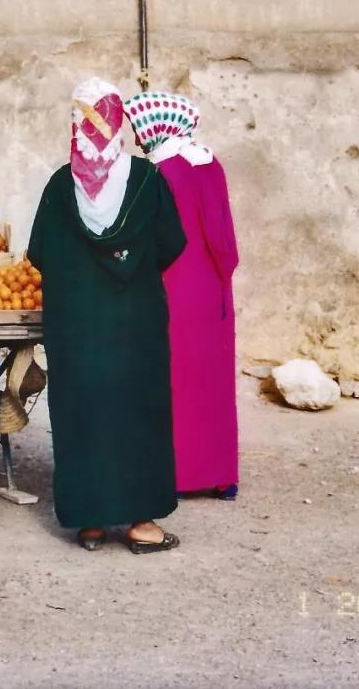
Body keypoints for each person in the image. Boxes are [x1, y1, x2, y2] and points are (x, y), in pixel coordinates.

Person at [27, 78, 186, 553]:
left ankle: (90, 523)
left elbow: (39, 252)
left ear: (77, 123)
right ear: (119, 124)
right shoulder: (147, 180)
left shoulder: (61, 185)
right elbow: (172, 243)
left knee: (83, 414)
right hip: (135, 321)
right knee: (139, 412)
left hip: (75, 325)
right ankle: (140, 523)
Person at [124, 91, 240, 499]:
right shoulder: (209, 163)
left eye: (138, 130)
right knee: (214, 384)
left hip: (168, 287)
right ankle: (222, 476)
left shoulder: (155, 173)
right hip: (210, 290)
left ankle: (175, 474)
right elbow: (224, 240)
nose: (138, 140)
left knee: (172, 382)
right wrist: (221, 281)